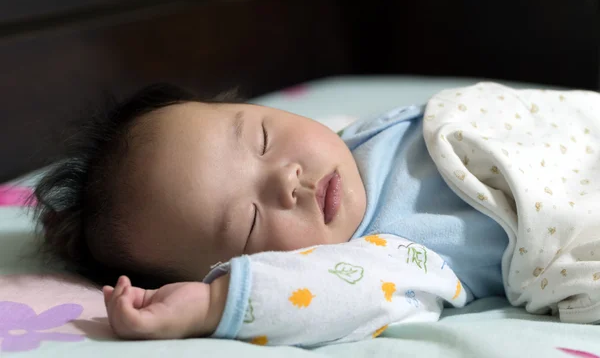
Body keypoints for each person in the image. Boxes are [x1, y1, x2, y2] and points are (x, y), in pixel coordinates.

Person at [32, 83, 511, 346]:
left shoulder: (353, 138)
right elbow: (324, 295)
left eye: (262, 138)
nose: (287, 180)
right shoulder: (383, 256)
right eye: (250, 223)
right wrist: (213, 306)